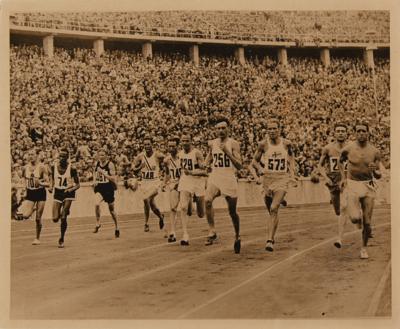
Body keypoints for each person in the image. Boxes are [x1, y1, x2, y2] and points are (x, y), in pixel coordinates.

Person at [250, 118, 296, 252]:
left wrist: (292, 172)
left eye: (274, 128)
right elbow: (254, 161)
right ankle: (280, 200)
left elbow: (292, 157)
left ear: (279, 130)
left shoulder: (287, 144)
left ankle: (270, 240)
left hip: (282, 178)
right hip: (267, 180)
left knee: (274, 208)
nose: (272, 131)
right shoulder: (263, 145)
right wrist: (259, 169)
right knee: (270, 209)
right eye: (269, 129)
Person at [339, 122, 382, 259]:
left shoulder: (375, 151)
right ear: (355, 133)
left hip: (368, 185)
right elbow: (341, 161)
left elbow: (379, 174)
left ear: (368, 133)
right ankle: (359, 221)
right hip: (353, 185)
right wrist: (343, 178)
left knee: (368, 221)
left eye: (364, 131)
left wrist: (375, 170)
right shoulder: (348, 149)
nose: (361, 133)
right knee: (355, 218)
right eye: (358, 131)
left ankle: (363, 248)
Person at [204, 117, 242, 254]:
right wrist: (205, 163)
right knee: (207, 200)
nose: (221, 131)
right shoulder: (212, 143)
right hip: (216, 176)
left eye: (223, 128)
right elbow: (209, 156)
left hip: (229, 178)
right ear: (215, 130)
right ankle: (212, 230)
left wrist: (227, 152)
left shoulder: (234, 144)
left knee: (232, 212)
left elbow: (239, 165)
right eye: (218, 128)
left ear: (228, 129)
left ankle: (237, 236)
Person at [318, 123, 348, 248]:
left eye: (343, 131)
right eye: (338, 131)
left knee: (344, 207)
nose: (340, 133)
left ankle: (339, 238)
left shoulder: (351, 147)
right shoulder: (328, 148)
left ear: (346, 133)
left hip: (347, 180)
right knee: (337, 211)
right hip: (333, 181)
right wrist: (326, 178)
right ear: (334, 133)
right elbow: (319, 166)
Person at [176, 132, 207, 246]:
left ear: (191, 141)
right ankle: (185, 235)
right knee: (183, 207)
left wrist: (193, 172)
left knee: (201, 214)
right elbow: (181, 171)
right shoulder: (180, 154)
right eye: (183, 141)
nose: (185, 143)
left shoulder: (196, 153)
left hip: (198, 181)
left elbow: (204, 171)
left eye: (187, 141)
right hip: (186, 180)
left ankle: (193, 203)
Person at [132, 136, 165, 233]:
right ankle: (160, 216)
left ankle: (146, 223)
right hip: (145, 183)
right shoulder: (140, 156)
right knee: (151, 204)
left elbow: (168, 160)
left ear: (152, 145)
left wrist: (165, 172)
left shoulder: (157, 155)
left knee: (146, 199)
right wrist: (139, 168)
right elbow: (133, 168)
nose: (147, 146)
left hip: (155, 182)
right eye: (145, 144)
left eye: (148, 144)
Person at [49, 148, 80, 248]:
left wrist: (70, 190)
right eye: (60, 156)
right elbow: (52, 178)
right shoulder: (54, 166)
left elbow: (78, 185)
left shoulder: (72, 168)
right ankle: (65, 210)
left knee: (63, 217)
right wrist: (51, 186)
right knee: (54, 219)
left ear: (67, 158)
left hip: (68, 192)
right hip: (58, 192)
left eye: (64, 157)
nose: (61, 158)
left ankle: (61, 238)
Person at [19, 148, 49, 245]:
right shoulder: (25, 168)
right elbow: (24, 178)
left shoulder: (42, 167)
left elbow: (48, 183)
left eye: (32, 154)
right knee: (26, 215)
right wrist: (24, 188)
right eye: (29, 155)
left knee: (37, 218)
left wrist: (40, 183)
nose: (30, 156)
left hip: (40, 192)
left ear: (37, 155)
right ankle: (35, 208)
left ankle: (37, 238)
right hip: (30, 193)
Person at [92, 149, 120, 238]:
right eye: (100, 155)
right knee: (96, 204)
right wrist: (94, 181)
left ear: (106, 156)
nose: (101, 157)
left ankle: (117, 227)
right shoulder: (97, 163)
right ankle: (98, 223)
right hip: (99, 187)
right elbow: (94, 173)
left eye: (103, 155)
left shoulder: (110, 165)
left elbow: (113, 178)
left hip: (108, 188)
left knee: (111, 210)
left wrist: (103, 173)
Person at [161, 136, 182, 243]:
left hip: (185, 184)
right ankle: (172, 232)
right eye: (169, 146)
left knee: (188, 210)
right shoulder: (166, 160)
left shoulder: (182, 157)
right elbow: (167, 173)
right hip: (173, 185)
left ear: (178, 146)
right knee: (173, 208)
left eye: (173, 146)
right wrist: (164, 183)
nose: (171, 148)